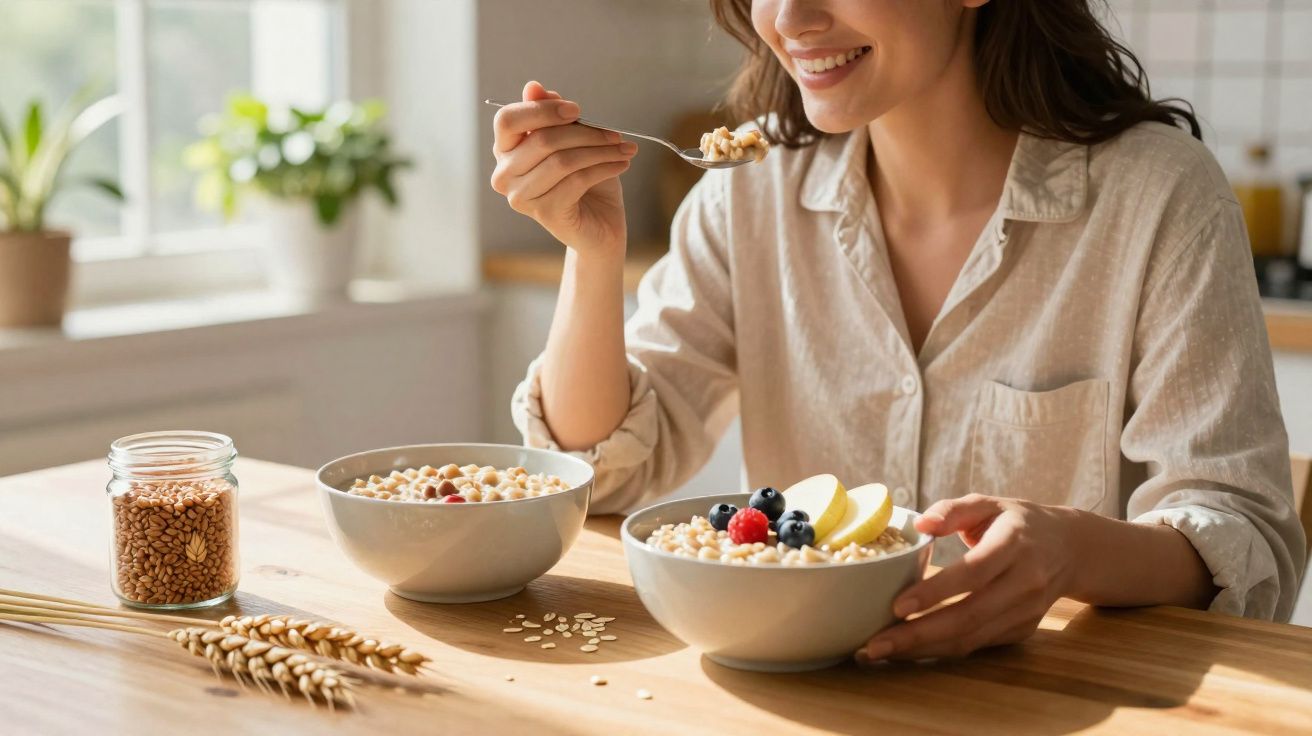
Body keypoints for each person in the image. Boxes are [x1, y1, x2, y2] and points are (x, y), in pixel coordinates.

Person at [488, 0, 1306, 662]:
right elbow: (604, 475)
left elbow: (1245, 540)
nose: (790, 18)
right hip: (799, 693)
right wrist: (592, 256)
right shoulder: (748, 193)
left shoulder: (1158, 197)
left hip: (1054, 706)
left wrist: (1074, 550)